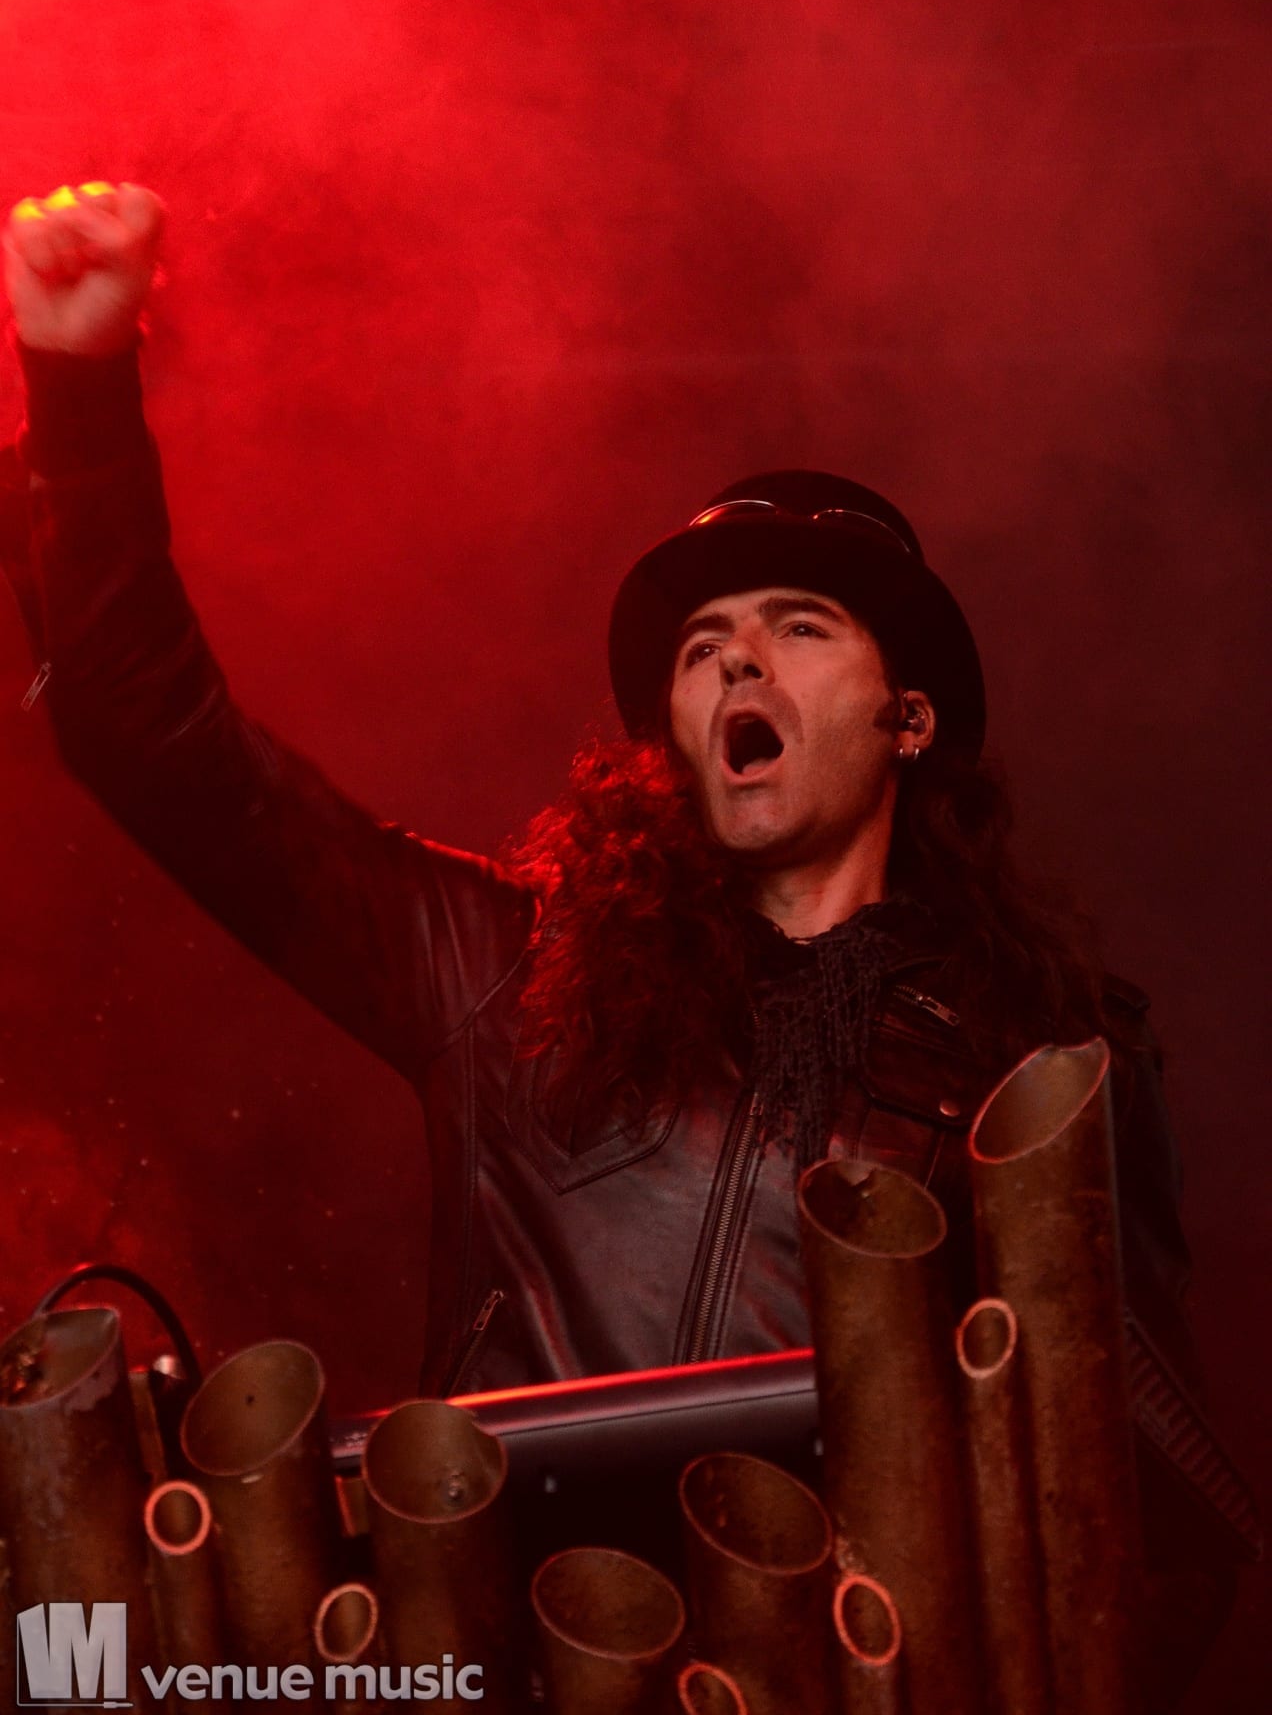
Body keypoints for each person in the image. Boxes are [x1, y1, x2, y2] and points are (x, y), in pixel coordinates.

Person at [0, 181, 1247, 1691]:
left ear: (908, 719)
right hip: (502, 1670)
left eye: (798, 626)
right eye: (703, 648)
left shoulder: (1037, 1065)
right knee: (70, 1670)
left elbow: (1149, 1513)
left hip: (831, 1688)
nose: (735, 661)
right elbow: (157, 743)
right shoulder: (503, 970)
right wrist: (78, 381)